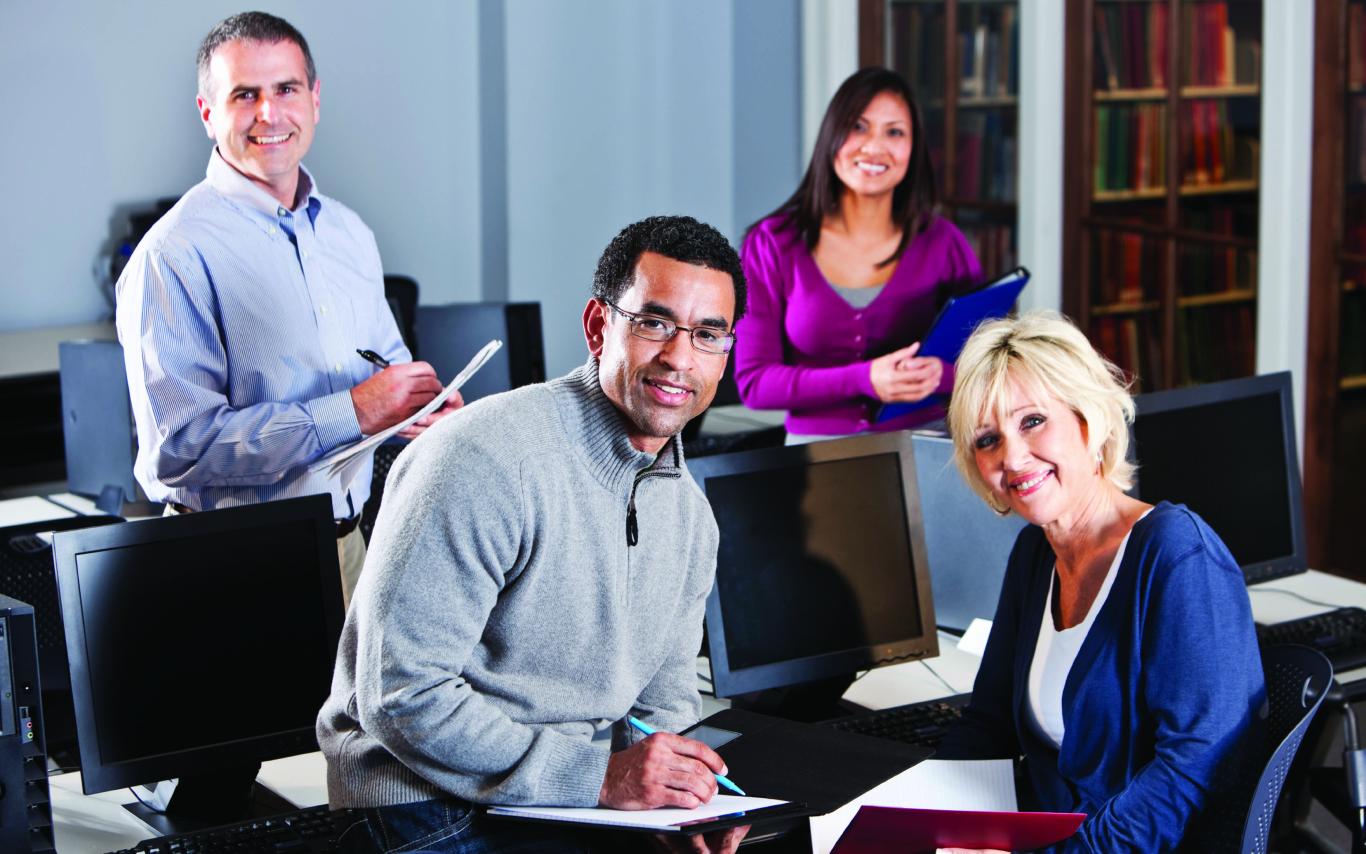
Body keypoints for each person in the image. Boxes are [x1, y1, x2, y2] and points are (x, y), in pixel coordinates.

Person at [318, 216, 750, 854]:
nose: (679, 357)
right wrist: (599, 778)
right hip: (424, 806)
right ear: (599, 327)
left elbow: (663, 708)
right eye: (654, 322)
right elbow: (402, 694)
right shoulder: (483, 457)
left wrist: (683, 806)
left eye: (707, 334)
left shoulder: (690, 517)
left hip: (566, 800)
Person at [115, 12, 459, 604]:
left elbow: (383, 375)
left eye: (286, 89)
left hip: (350, 546)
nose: (269, 114)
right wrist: (352, 411)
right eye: (244, 95)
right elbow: (180, 451)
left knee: (365, 702)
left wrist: (419, 410)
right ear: (208, 113)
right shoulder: (172, 254)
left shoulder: (350, 235)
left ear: (315, 100)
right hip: (234, 566)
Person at [933, 311, 1266, 852]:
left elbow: (1191, 773)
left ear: (1089, 421)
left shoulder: (1178, 556)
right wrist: (918, 816)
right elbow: (987, 726)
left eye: (1033, 421)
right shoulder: (1034, 555)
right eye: (988, 439)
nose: (1012, 457)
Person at [735, 66, 981, 442]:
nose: (874, 147)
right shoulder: (772, 243)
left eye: (894, 132)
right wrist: (865, 379)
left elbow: (992, 360)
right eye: (858, 127)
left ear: (913, 148)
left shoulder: (943, 242)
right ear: (832, 136)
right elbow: (755, 384)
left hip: (928, 443)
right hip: (817, 457)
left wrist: (940, 375)